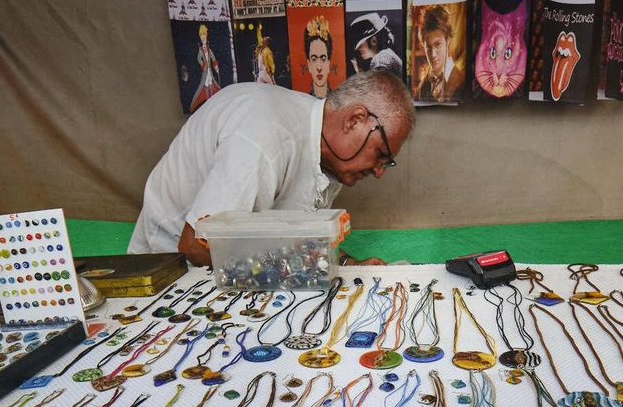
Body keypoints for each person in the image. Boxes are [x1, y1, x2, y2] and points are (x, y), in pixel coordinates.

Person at [129, 69, 415, 267]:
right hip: (169, 272)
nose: (379, 172)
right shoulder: (265, 135)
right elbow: (198, 246)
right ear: (354, 120)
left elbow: (300, 240)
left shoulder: (331, 156)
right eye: (381, 154)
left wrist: (349, 264)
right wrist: (303, 266)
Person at [415, 6, 464, 102]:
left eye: (438, 44)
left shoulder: (461, 83)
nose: (433, 54)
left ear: (448, 42)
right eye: (428, 47)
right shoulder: (420, 89)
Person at [349, 12, 403, 78]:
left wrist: (359, 73)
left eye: (360, 44)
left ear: (373, 41)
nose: (357, 49)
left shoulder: (380, 59)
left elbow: (377, 84)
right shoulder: (386, 55)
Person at [189, 24, 221, 112]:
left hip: (210, 70)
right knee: (205, 85)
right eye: (201, 35)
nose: (202, 37)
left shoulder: (208, 48)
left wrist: (216, 66)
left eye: (203, 35)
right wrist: (203, 64)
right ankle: (206, 103)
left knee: (212, 84)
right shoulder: (200, 49)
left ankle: (213, 102)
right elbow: (198, 58)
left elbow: (213, 58)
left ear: (206, 36)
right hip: (205, 70)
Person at [304, 16, 333, 99]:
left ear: (328, 63)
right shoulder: (304, 101)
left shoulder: (338, 101)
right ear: (309, 64)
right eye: (314, 59)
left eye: (323, 59)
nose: (319, 68)